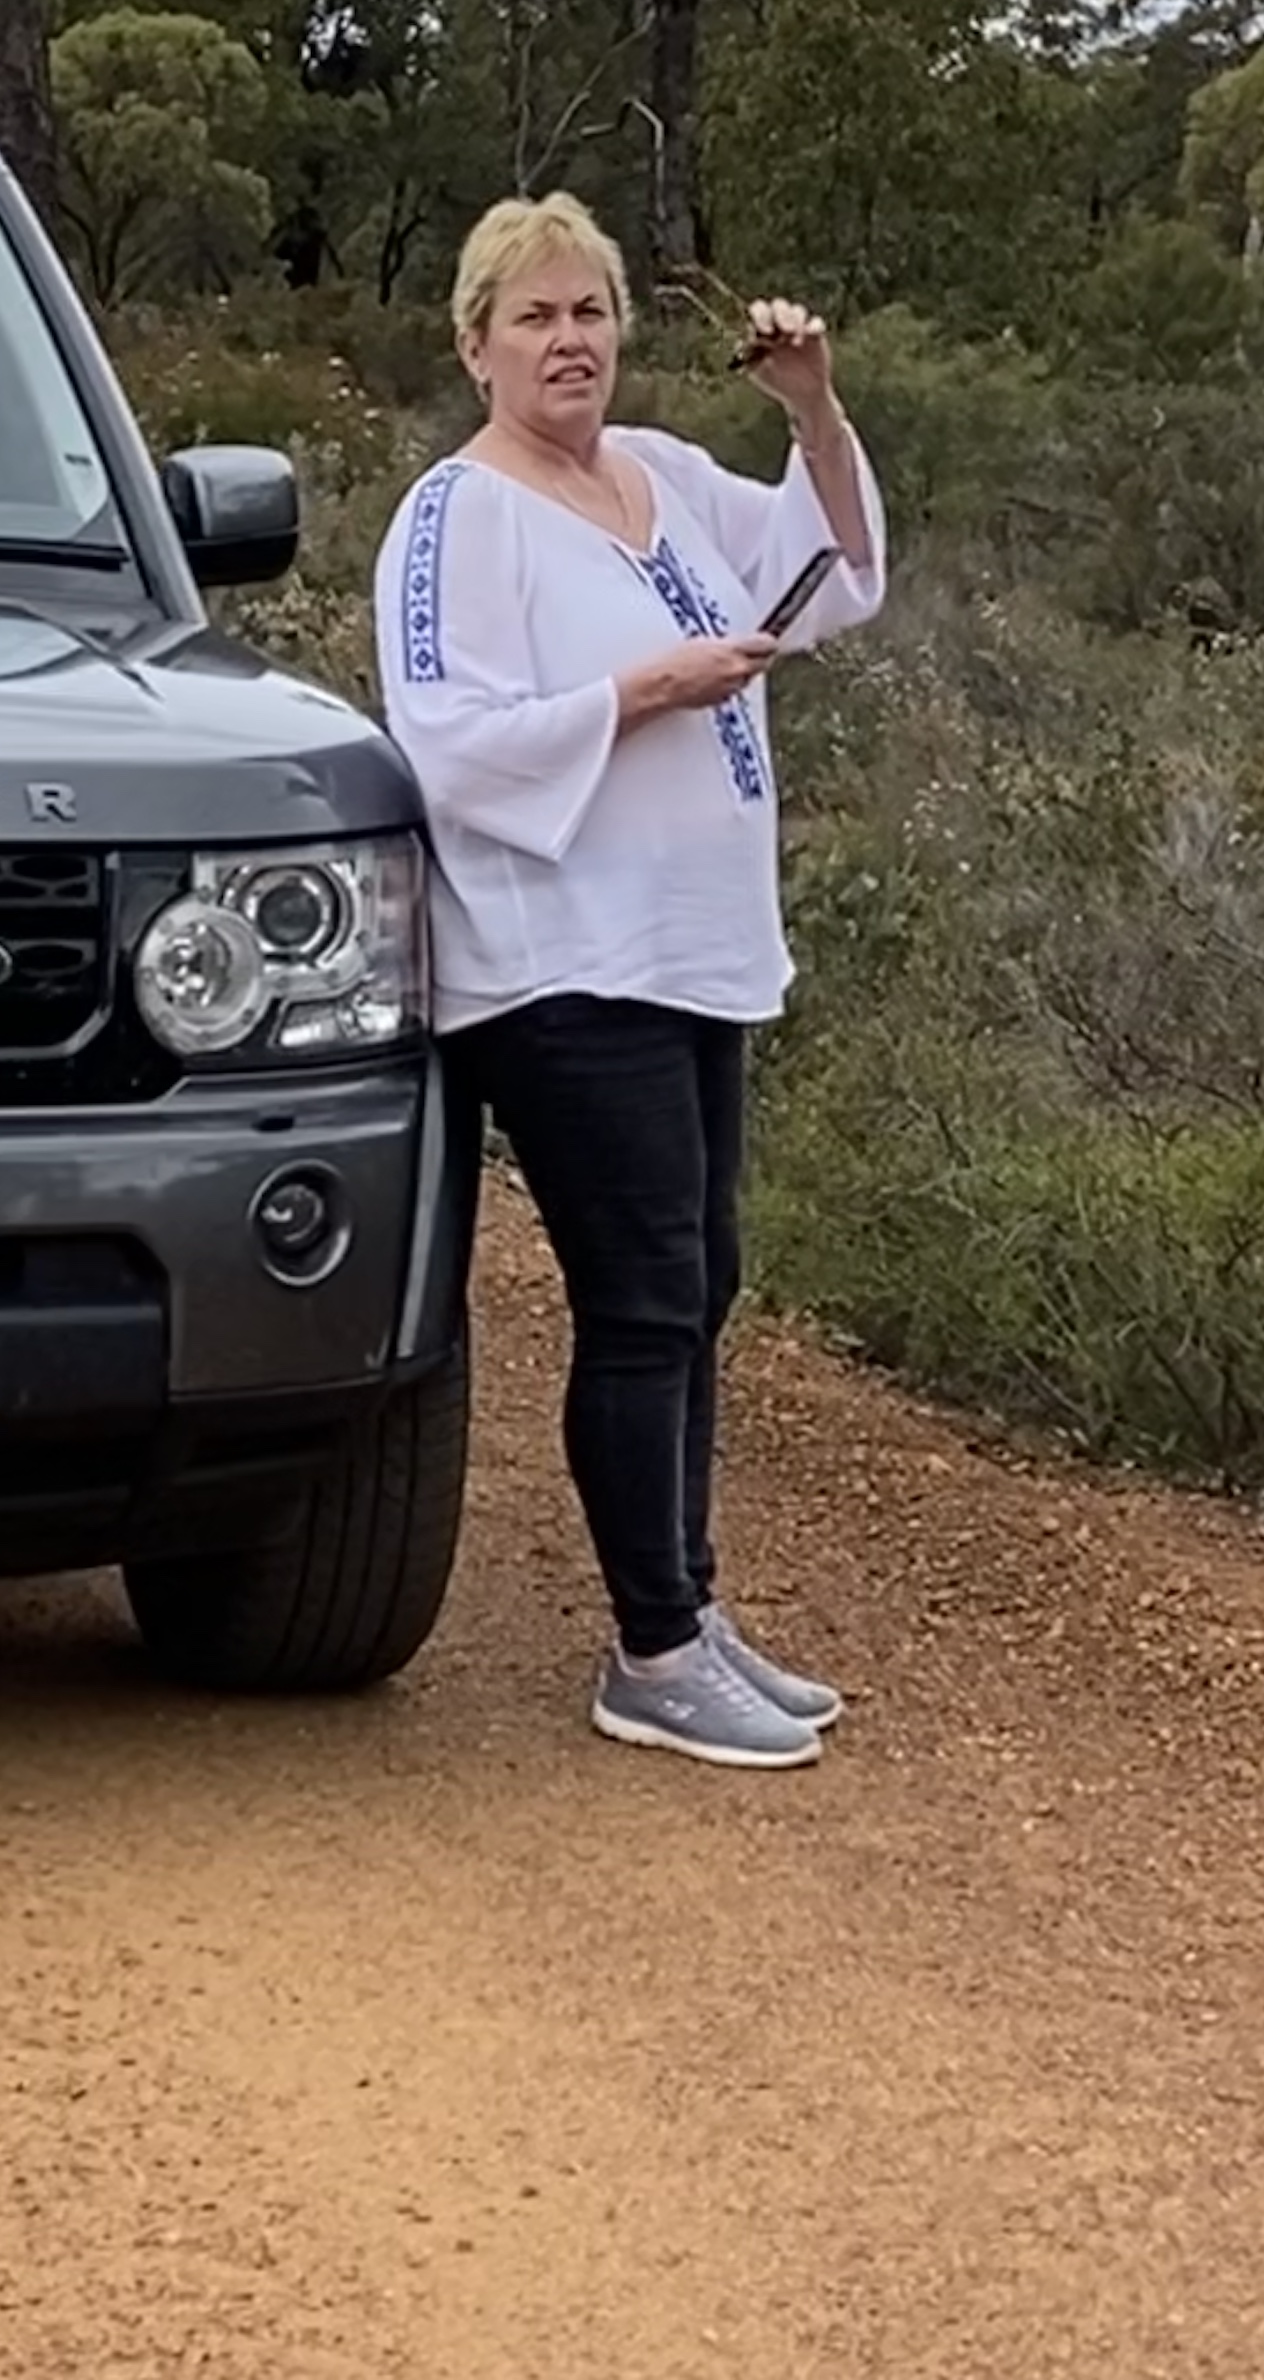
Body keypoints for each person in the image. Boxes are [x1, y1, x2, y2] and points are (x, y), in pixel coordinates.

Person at [369, 191, 886, 1768]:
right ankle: (651, 1648)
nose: (568, 341)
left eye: (588, 311)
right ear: (475, 347)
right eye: (532, 317)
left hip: (691, 952)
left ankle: (690, 1607)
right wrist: (644, 690)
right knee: (643, 1293)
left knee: (700, 1282)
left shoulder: (661, 473)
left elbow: (831, 577)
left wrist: (812, 411)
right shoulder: (457, 517)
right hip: (560, 968)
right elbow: (446, 741)